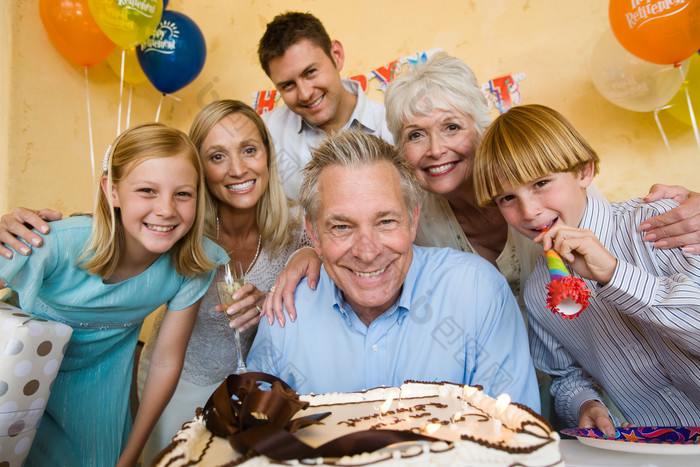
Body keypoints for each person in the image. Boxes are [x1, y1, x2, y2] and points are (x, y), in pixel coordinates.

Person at [263, 52, 700, 324]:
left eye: (451, 127)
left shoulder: (548, 191)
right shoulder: (411, 210)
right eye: (415, 135)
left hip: (602, 366)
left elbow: (623, 259)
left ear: (481, 126)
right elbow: (349, 225)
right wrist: (308, 248)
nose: (435, 150)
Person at [247, 130, 540, 410]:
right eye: (341, 227)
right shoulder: (285, 312)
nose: (368, 251)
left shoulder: (477, 291)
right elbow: (255, 433)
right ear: (313, 233)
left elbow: (514, 434)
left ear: (413, 220)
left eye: (386, 221)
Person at [0, 123, 228, 466]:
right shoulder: (56, 244)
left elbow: (166, 362)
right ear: (113, 191)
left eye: (183, 193)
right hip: (17, 378)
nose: (166, 209)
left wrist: (130, 454)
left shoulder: (193, 264)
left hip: (98, 393)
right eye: (147, 190)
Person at [472, 104, 700, 435]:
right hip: (657, 451)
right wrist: (585, 402)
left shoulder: (663, 223)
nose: (529, 210)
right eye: (507, 198)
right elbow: (567, 375)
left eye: (541, 183)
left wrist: (614, 274)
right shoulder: (539, 292)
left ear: (584, 172)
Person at [136, 100, 311, 464]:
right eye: (217, 157)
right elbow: (111, 235)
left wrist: (279, 292)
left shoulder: (297, 227)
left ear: (267, 155)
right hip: (180, 385)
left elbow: (338, 274)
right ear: (198, 169)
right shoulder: (178, 225)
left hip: (259, 391)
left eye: (249, 150)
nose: (237, 169)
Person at [258, 11, 393, 201]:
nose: (305, 94)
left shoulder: (393, 126)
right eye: (288, 85)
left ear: (336, 55)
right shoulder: (264, 133)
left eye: (310, 72)